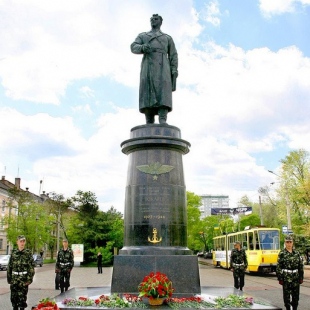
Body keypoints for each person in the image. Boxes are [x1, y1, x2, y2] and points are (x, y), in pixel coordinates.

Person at [131, 14, 178, 125]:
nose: (153, 20)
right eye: (151, 19)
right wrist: (142, 48)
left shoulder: (167, 38)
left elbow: (173, 55)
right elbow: (133, 46)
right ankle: (149, 120)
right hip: (148, 65)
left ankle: (163, 118)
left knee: (163, 91)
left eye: (156, 19)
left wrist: (174, 69)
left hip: (163, 67)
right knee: (147, 91)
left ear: (161, 22)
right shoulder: (143, 35)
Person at [7, 235, 35, 310]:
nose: (22, 243)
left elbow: (31, 268)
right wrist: (9, 279)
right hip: (14, 279)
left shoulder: (28, 253)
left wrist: (29, 280)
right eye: (20, 241)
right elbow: (9, 266)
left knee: (22, 301)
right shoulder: (14, 253)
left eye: (23, 241)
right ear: (17, 242)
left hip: (23, 280)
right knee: (14, 300)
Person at [276, 235, 304, 310]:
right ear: (285, 243)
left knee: (296, 296)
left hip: (295, 277)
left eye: (290, 242)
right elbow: (278, 266)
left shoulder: (297, 253)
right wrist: (280, 278)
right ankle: (288, 308)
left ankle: (295, 308)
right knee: (286, 296)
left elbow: (300, 266)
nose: (289, 244)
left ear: (292, 243)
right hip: (286, 277)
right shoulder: (282, 253)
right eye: (287, 242)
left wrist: (301, 277)